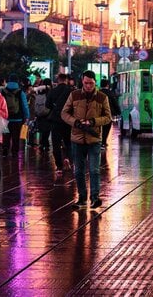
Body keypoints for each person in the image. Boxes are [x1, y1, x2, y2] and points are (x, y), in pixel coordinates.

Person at [62, 71, 112, 208]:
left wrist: (93, 122)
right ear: (82, 82)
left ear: (95, 82)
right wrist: (75, 122)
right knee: (78, 171)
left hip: (94, 139)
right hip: (77, 139)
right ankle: (82, 197)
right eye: (86, 83)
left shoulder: (102, 97)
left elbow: (108, 117)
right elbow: (64, 113)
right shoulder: (74, 95)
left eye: (91, 83)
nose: (88, 85)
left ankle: (95, 197)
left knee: (94, 170)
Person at [47, 73, 74, 181]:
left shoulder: (53, 91)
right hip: (67, 121)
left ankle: (59, 166)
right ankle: (68, 159)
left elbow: (47, 104)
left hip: (56, 120)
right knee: (69, 142)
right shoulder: (71, 91)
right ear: (66, 80)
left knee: (56, 144)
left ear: (58, 79)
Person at [1, 73, 29, 156]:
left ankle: (5, 149)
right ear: (17, 81)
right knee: (16, 137)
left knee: (6, 135)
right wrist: (27, 116)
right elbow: (25, 105)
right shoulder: (20, 92)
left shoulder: (3, 91)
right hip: (18, 119)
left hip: (5, 119)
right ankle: (14, 152)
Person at [99, 78, 121, 148]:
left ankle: (100, 141)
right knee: (107, 128)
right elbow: (115, 103)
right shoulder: (110, 93)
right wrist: (118, 111)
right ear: (107, 85)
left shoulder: (97, 93)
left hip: (98, 114)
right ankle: (103, 141)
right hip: (108, 113)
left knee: (100, 128)